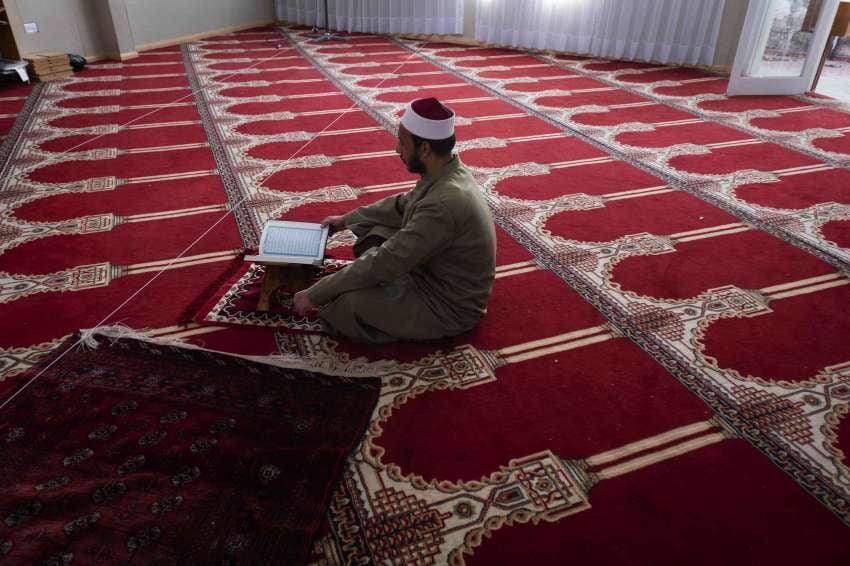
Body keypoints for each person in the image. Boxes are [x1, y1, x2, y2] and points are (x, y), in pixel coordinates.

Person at [292, 97, 497, 344]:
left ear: (424, 149)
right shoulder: (448, 171)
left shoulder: (443, 203)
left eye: (402, 142)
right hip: (430, 271)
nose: (397, 149)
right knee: (375, 228)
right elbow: (402, 204)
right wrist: (345, 220)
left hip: (447, 306)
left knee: (347, 304)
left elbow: (388, 260)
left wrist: (316, 294)